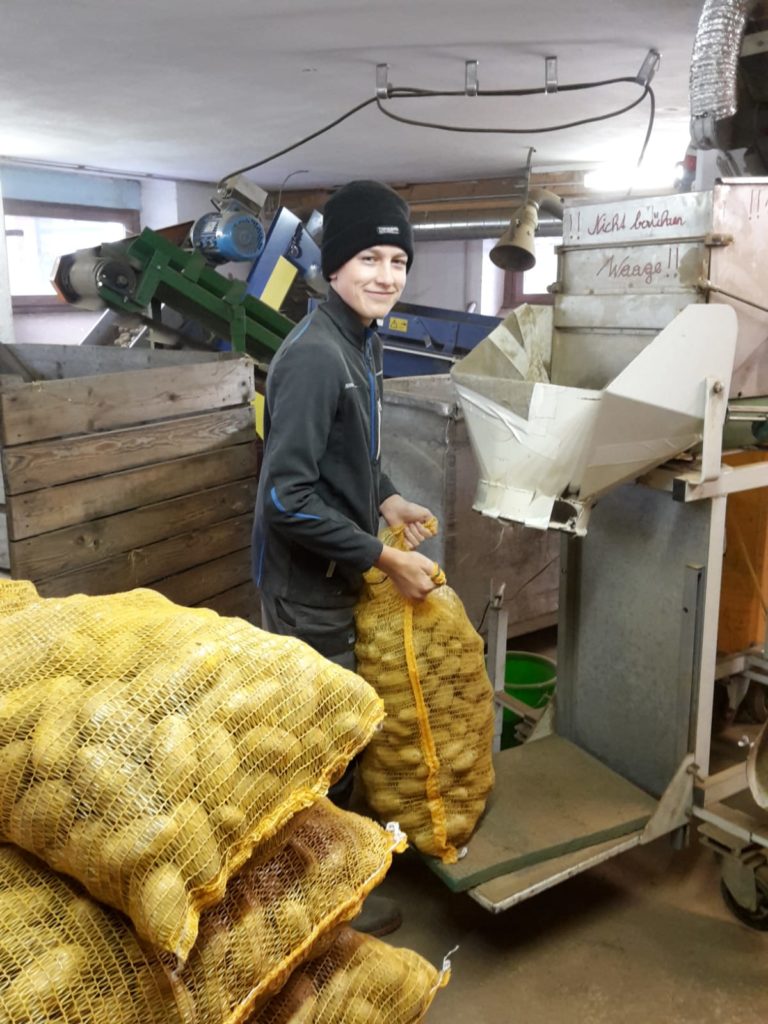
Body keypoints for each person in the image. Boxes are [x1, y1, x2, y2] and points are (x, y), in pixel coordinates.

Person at [252, 179, 439, 935]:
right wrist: (380, 556)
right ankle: (319, 905)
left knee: (342, 732)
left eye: (398, 259)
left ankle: (332, 878)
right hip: (307, 587)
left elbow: (350, 452)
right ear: (332, 266)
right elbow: (284, 499)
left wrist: (387, 497)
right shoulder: (313, 358)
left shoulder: (361, 341)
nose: (386, 275)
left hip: (337, 574)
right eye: (369, 256)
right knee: (324, 744)